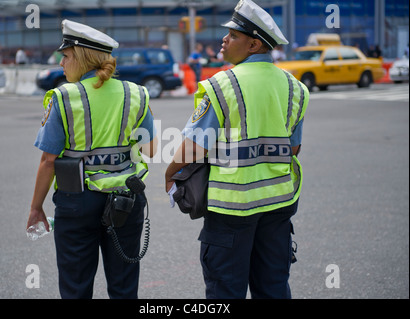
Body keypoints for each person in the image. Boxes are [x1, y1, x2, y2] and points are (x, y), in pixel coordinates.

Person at [165, 0, 309, 299]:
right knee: (273, 286)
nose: (224, 39)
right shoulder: (295, 87)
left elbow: (193, 148)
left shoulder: (220, 85)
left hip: (232, 207)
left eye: (232, 35)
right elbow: (293, 147)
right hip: (279, 203)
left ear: (253, 44)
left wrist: (169, 174)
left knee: (225, 291)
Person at [27, 19, 158, 299]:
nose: (62, 63)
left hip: (77, 202)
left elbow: (48, 160)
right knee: (124, 288)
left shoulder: (63, 97)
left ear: (83, 58)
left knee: (76, 288)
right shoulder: (136, 93)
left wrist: (36, 208)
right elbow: (150, 150)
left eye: (66, 56)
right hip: (125, 200)